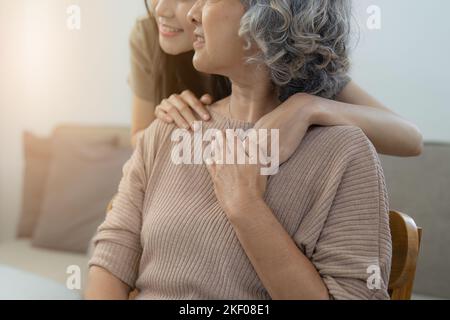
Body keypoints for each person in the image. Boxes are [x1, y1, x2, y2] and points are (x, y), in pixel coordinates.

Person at [85, 0, 392, 300]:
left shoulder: (345, 153)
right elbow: (112, 256)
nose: (192, 13)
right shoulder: (167, 128)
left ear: (267, 16)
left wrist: (245, 206)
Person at [129, 0, 422, 163]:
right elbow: (139, 142)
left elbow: (410, 139)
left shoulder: (281, 59)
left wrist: (308, 107)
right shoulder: (150, 36)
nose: (161, 10)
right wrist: (164, 125)